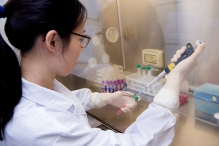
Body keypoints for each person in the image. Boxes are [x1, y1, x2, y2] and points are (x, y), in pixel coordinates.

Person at [0, 0, 206, 146]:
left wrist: (104, 97)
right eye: (81, 38)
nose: (83, 46)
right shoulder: (44, 127)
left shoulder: (25, 87)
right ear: (52, 41)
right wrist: (175, 78)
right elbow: (134, 143)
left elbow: (62, 102)